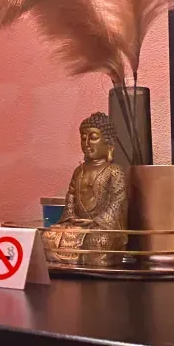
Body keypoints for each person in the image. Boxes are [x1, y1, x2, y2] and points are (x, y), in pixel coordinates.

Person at [42, 112, 128, 268]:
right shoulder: (79, 171)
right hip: (79, 225)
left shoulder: (114, 171)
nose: (87, 143)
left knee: (99, 241)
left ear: (108, 142)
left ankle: (86, 259)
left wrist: (96, 222)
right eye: (83, 138)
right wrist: (71, 217)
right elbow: (71, 196)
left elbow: (117, 202)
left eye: (93, 138)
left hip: (102, 227)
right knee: (49, 236)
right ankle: (75, 258)